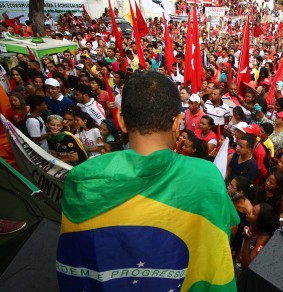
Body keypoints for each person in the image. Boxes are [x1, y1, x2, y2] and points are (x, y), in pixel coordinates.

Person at [57, 71, 239, 291]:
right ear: (177, 123)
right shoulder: (206, 177)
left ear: (121, 121)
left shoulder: (82, 178)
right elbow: (225, 232)